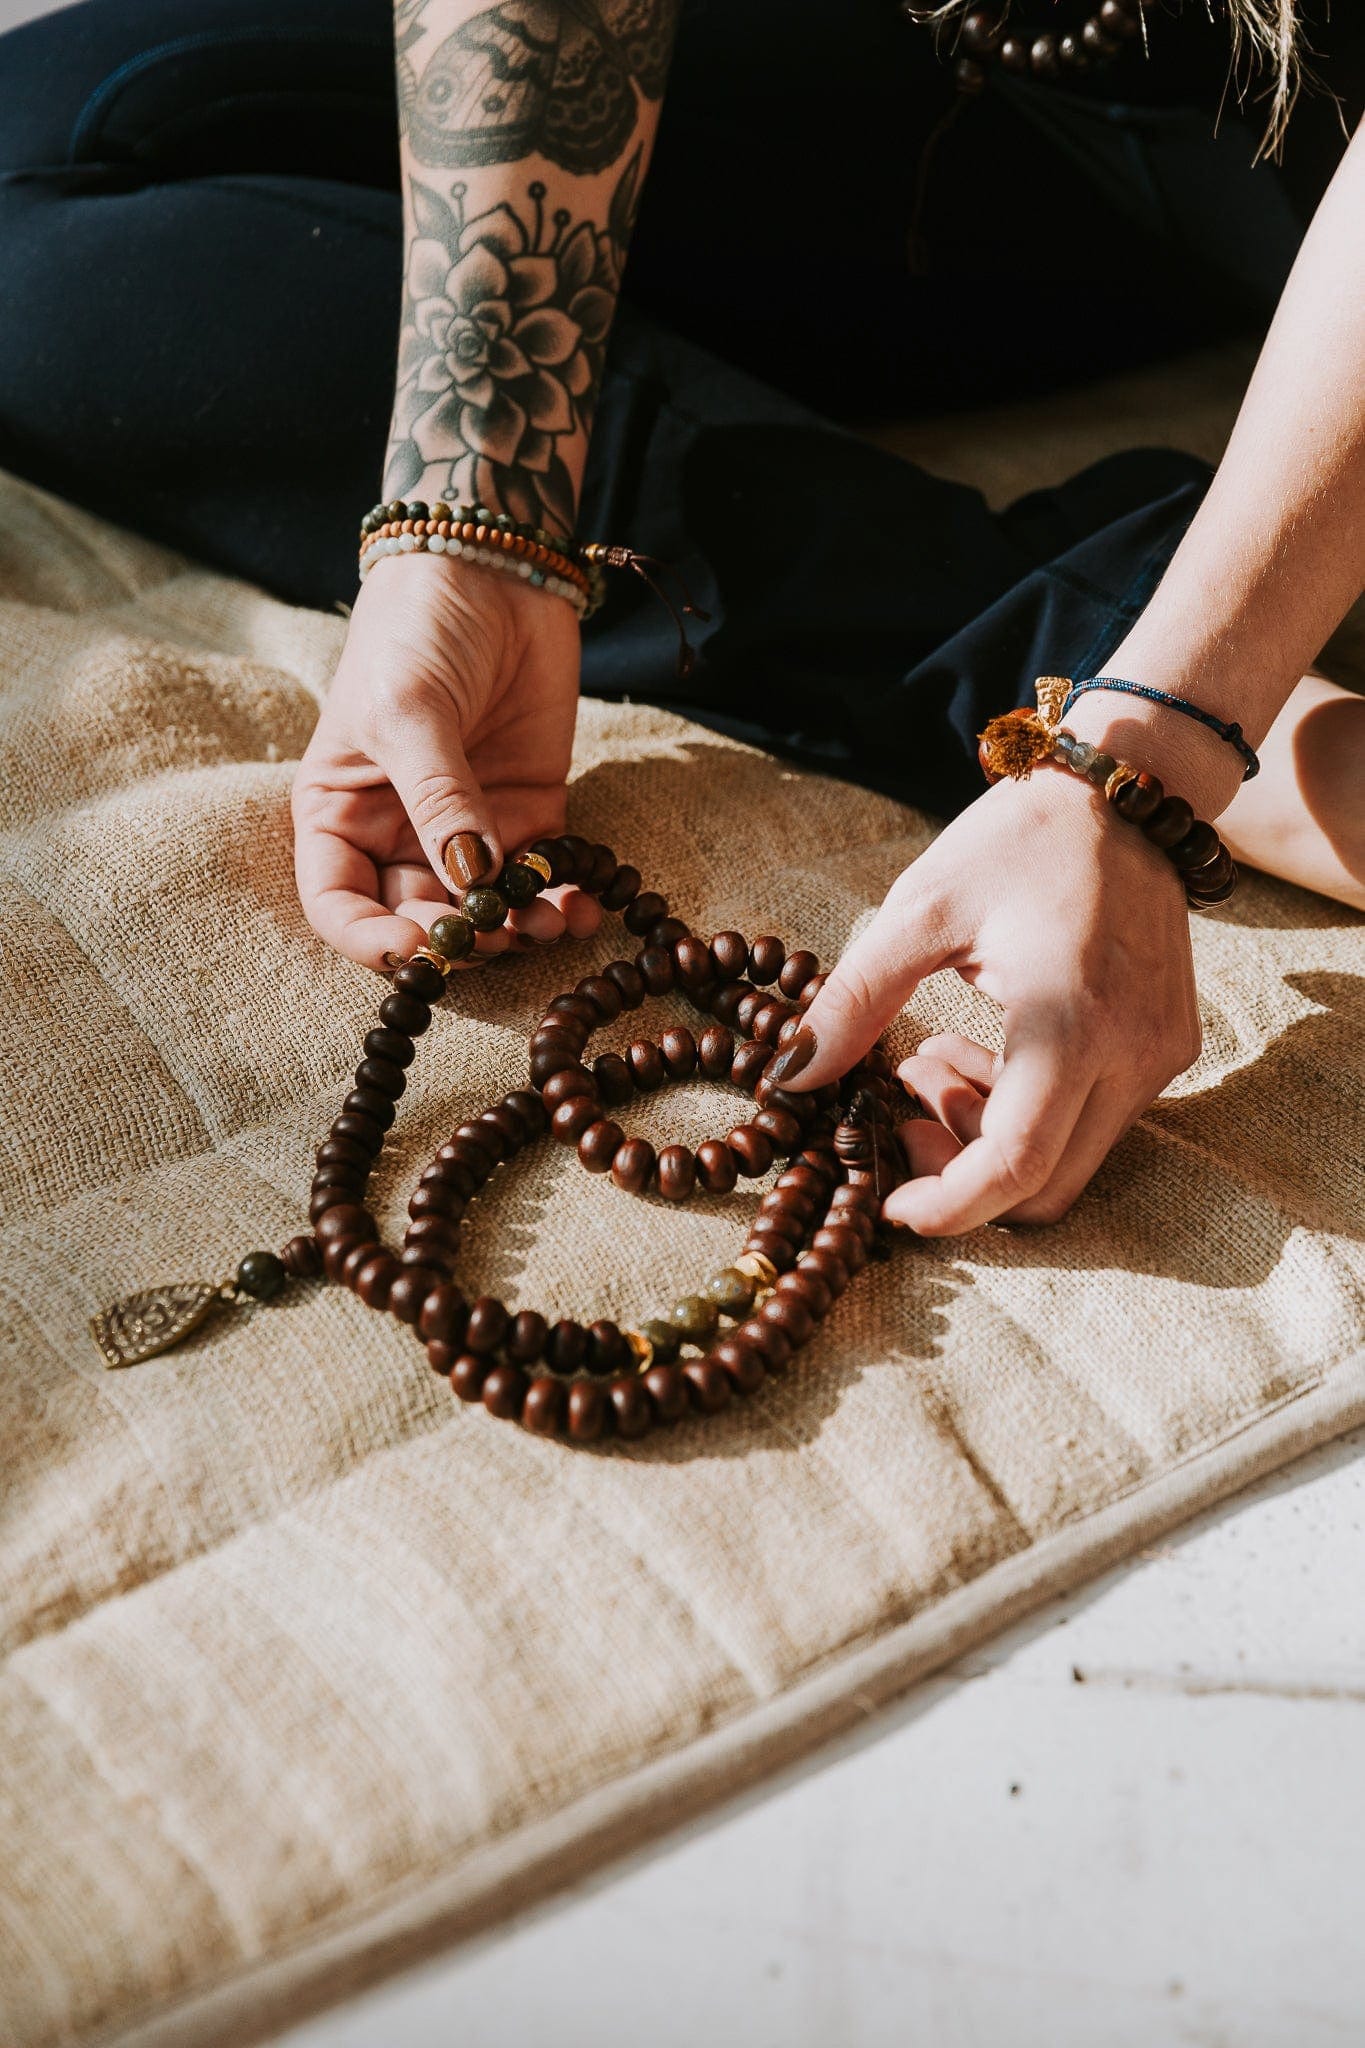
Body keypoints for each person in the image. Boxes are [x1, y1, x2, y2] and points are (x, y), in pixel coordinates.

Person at [1, 0, 1362, 1239]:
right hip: (1004, 67)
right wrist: (482, 495)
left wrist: (1160, 742)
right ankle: (1050, 651)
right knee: (46, 161)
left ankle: (1152, 676)